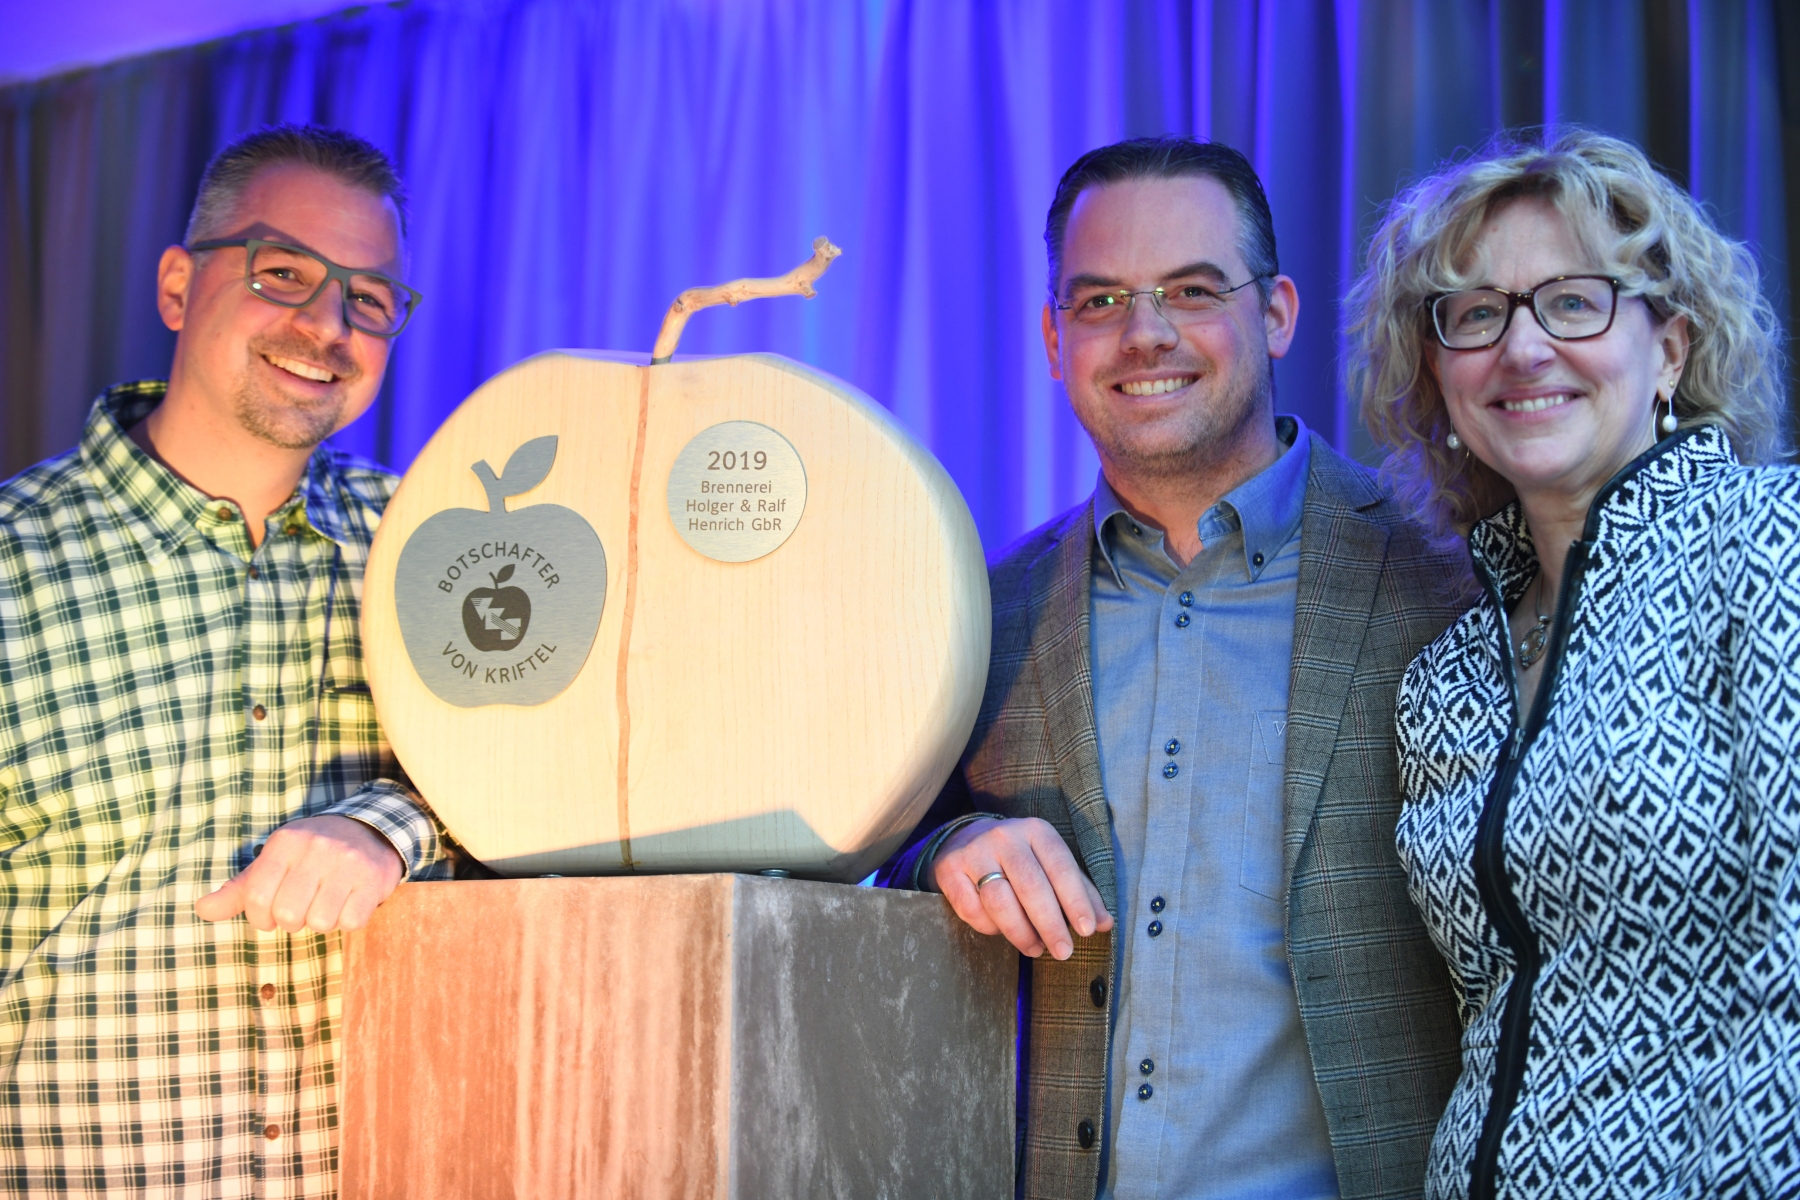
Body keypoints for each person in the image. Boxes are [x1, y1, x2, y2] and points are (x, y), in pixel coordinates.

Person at [881, 136, 1468, 1200]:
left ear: (1276, 313)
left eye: (1192, 291)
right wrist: (950, 850)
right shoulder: (980, 612)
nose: (1144, 332)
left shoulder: (1443, 579)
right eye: (1100, 301)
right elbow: (891, 857)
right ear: (1054, 338)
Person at [1347, 128, 1799, 1199]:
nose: (1523, 348)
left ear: (1671, 349)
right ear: (1439, 374)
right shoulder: (1443, 680)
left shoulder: (1769, 546)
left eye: (1574, 302)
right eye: (1476, 314)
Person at [0, 124, 443, 1195]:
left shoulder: (434, 544)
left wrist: (392, 825)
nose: (326, 325)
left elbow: (554, 782)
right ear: (177, 286)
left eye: (368, 298)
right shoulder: (10, 561)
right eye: (283, 272)